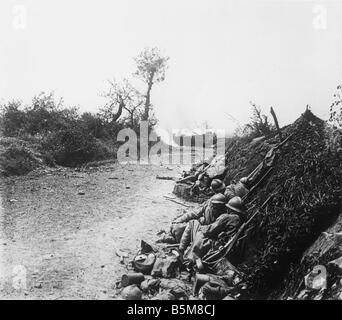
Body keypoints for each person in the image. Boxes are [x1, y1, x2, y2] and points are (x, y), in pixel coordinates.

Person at [178, 196, 246, 263]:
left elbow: (209, 230)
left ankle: (184, 252)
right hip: (228, 246)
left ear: (230, 209)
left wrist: (202, 227)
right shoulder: (241, 219)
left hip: (215, 245)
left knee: (193, 223)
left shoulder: (227, 217)